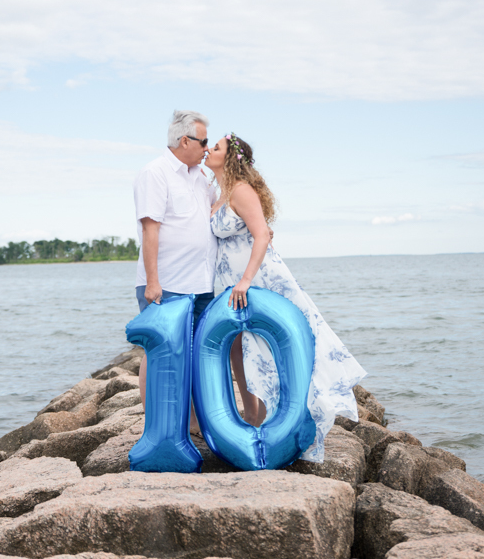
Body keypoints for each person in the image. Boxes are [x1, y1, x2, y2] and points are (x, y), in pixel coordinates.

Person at [203, 132, 367, 462]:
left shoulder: (241, 191)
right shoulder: (216, 194)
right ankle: (252, 411)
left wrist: (246, 281)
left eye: (215, 147)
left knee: (269, 344)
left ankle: (287, 412)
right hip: (228, 280)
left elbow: (262, 234)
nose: (208, 150)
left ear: (231, 157)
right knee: (235, 344)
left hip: (257, 278)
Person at [133, 110, 217, 419]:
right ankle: (155, 422)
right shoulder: (155, 173)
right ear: (185, 140)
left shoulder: (201, 177)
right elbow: (150, 228)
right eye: (204, 141)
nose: (207, 147)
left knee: (193, 355)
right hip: (165, 284)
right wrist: (153, 282)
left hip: (200, 284)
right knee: (158, 352)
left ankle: (191, 422)